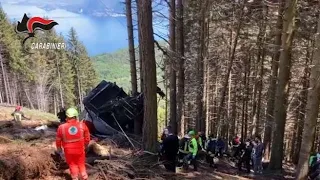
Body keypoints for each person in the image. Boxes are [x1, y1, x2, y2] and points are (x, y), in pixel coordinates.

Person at [56, 107, 91, 180]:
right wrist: (85, 146)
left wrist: (59, 150)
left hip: (68, 151)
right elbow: (87, 138)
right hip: (80, 150)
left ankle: (75, 178)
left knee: (72, 165)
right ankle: (84, 177)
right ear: (76, 116)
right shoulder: (82, 125)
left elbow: (58, 140)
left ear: (67, 116)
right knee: (81, 164)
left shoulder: (61, 127)